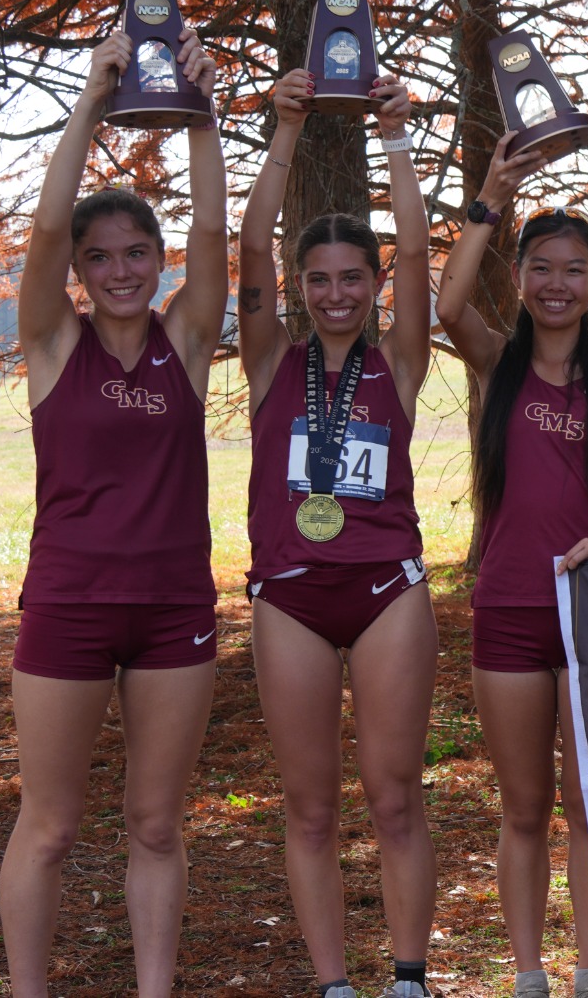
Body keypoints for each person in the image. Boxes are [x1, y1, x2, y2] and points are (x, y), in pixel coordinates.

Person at [0, 29, 225, 998]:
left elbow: (219, 238)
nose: (121, 270)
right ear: (83, 270)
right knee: (48, 823)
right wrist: (93, 101)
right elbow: (45, 233)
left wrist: (206, 117)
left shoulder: (186, 339)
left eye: (138, 253)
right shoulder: (54, 342)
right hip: (70, 601)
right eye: (103, 258)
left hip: (173, 605)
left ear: (157, 259)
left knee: (155, 822)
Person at [436, 137, 588, 998]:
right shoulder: (498, 364)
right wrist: (489, 197)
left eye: (573, 269)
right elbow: (450, 300)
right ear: (524, 277)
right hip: (507, 608)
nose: (557, 284)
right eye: (540, 268)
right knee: (523, 805)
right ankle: (528, 972)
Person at [237, 66, 440, 998]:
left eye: (352, 278)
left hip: (385, 587)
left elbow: (417, 253)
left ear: (373, 283)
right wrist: (284, 128)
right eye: (316, 280)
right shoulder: (271, 356)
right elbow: (246, 248)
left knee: (395, 798)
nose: (334, 294)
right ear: (298, 288)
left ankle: (406, 978)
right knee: (310, 807)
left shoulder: (397, 358)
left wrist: (396, 136)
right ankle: (333, 985)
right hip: (289, 593)